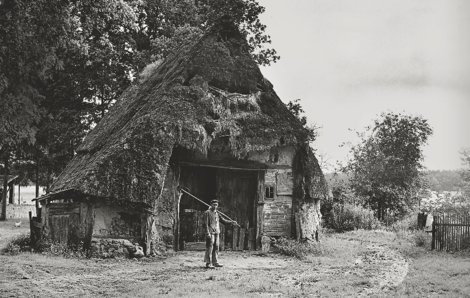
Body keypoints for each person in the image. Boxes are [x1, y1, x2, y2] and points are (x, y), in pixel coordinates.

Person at [203, 199, 236, 269]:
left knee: (216, 247)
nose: (215, 206)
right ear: (211, 205)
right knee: (210, 247)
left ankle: (215, 262)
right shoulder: (207, 213)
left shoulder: (217, 213)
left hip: (217, 232)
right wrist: (207, 233)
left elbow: (223, 221)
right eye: (214, 205)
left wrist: (231, 222)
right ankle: (208, 263)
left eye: (216, 205)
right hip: (210, 232)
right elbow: (205, 224)